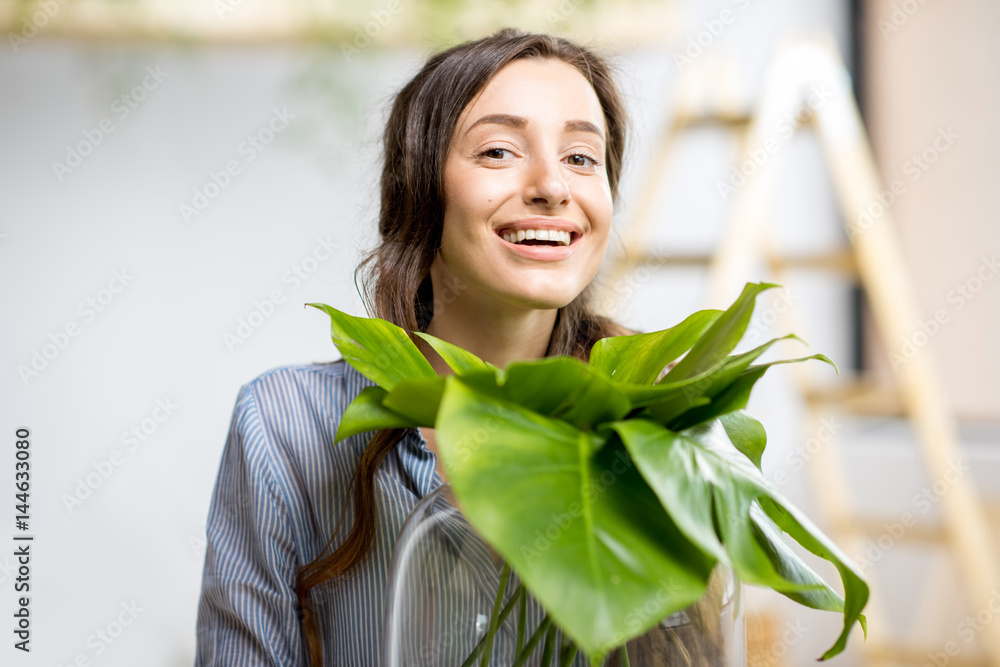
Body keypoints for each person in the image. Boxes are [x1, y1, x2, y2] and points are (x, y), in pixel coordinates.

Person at [194, 27, 633, 667]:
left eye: (581, 158)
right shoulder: (286, 426)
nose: (552, 187)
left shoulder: (655, 425)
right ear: (419, 189)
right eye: (499, 151)